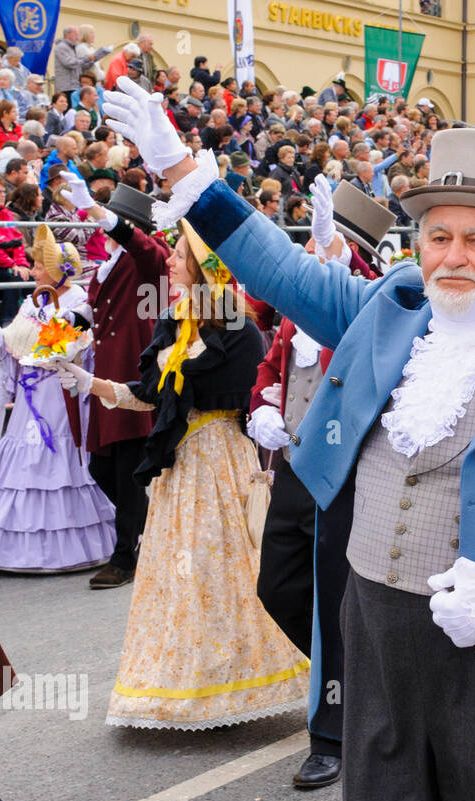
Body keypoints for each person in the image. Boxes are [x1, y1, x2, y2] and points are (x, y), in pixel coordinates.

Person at [102, 80, 475, 801]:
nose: (452, 257)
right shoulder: (388, 308)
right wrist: (184, 171)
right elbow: (279, 271)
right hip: (377, 623)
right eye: (437, 236)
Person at [57, 219, 311, 728]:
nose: (169, 263)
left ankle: (236, 684)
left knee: (222, 572)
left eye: (178, 257)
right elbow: (153, 394)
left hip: (219, 464)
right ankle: (178, 686)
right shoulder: (175, 320)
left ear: (201, 268)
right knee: (177, 576)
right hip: (181, 471)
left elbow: (244, 400)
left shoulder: (235, 330)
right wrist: (92, 382)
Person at [247, 176, 393, 789]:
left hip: (346, 467)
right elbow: (272, 365)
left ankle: (330, 732)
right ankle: (358, 676)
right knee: (277, 584)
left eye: (325, 247)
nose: (315, 255)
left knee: (337, 590)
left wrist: (339, 249)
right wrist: (263, 404)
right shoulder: (293, 320)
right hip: (296, 463)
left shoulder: (369, 305)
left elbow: (355, 284)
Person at [0, 225, 115, 572]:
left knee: (57, 454)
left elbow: (71, 349)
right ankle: (14, 547)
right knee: (22, 453)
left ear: (58, 270)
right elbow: (13, 343)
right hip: (31, 392)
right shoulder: (33, 298)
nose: (35, 271)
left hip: (57, 392)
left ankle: (67, 547)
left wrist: (44, 349)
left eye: (40, 266)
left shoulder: (77, 303)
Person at [61, 179, 167, 589]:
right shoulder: (110, 263)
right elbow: (96, 306)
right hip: (105, 369)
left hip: (131, 372)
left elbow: (148, 250)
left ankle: (125, 557)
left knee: (125, 469)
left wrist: (103, 216)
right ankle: (146, 530)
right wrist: (65, 325)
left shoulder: (146, 258)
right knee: (101, 465)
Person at [0, 172, 31, 324]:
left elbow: (18, 243)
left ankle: (32, 322)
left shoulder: (8, 215)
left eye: (4, 191)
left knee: (33, 278)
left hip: (13, 265)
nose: (3, 195)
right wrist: (13, 265)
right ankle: (8, 323)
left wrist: (22, 264)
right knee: (15, 278)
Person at [53, 27, 110, 103]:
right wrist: (87, 58)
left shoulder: (72, 47)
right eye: (75, 34)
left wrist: (92, 60)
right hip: (66, 86)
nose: (78, 37)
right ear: (67, 35)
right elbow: (70, 63)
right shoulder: (61, 47)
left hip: (73, 84)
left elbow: (80, 66)